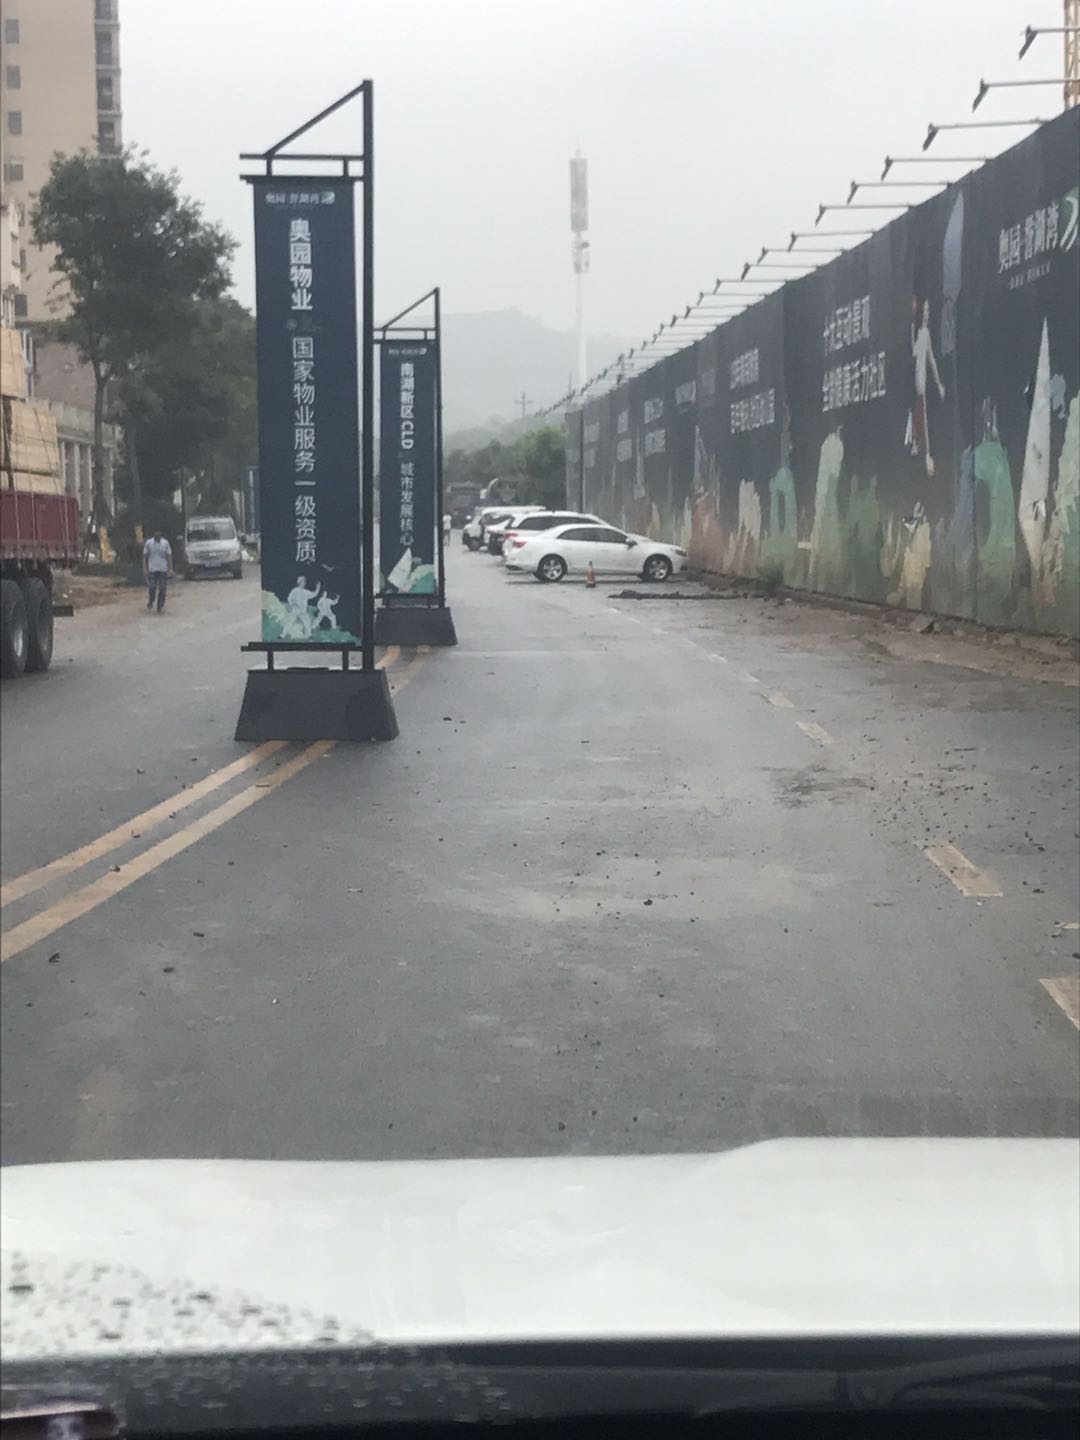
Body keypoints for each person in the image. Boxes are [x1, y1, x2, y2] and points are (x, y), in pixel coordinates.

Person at [143, 528, 173, 612]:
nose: (157, 534)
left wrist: (170, 569)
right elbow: (145, 557)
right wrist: (145, 568)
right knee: (152, 587)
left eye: (159, 533)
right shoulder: (149, 543)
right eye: (156, 533)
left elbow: (169, 556)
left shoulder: (165, 543)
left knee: (162, 589)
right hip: (152, 569)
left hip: (163, 569)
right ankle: (151, 601)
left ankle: (160, 605)